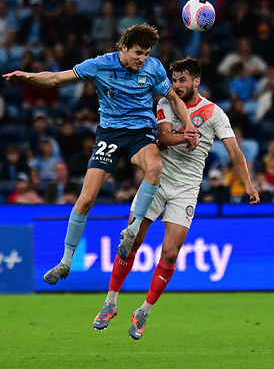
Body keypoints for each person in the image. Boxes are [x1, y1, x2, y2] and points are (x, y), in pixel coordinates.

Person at [3, 24, 198, 285]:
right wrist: (28, 77)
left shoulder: (154, 68)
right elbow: (56, 79)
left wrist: (188, 124)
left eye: (147, 53)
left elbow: (173, 99)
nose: (142, 58)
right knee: (85, 199)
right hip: (110, 135)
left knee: (154, 168)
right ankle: (66, 261)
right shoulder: (100, 65)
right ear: (124, 48)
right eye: (138, 52)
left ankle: (132, 230)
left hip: (140, 133)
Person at [92, 57, 260, 340]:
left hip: (186, 189)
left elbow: (234, 152)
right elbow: (163, 137)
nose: (176, 85)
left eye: (182, 80)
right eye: (174, 80)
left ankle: (143, 312)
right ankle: (110, 303)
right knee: (131, 240)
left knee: (170, 253)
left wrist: (248, 184)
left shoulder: (214, 113)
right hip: (156, 183)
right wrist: (186, 135)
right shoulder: (166, 104)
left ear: (196, 81)